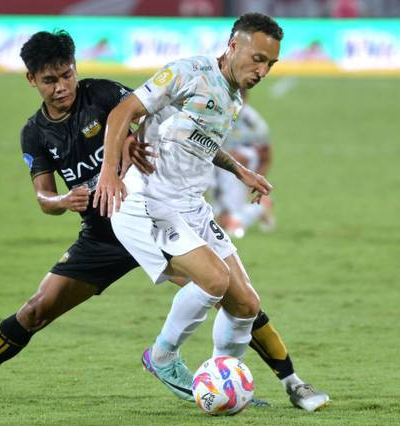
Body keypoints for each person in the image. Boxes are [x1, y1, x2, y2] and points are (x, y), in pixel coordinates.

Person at [0, 29, 318, 411]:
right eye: (50, 80)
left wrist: (136, 143)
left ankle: (276, 381)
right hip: (102, 235)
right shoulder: (35, 134)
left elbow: (164, 126)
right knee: (36, 310)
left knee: (229, 291)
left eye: (67, 75)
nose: (62, 86)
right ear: (32, 81)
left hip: (153, 212)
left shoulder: (102, 94)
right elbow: (43, 198)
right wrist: (65, 199)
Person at [95, 13, 329, 412]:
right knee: (215, 280)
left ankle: (226, 382)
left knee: (246, 306)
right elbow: (123, 113)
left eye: (270, 64)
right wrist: (110, 173)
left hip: (190, 206)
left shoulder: (233, 99)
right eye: (257, 59)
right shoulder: (187, 73)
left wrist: (241, 171)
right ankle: (163, 356)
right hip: (148, 201)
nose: (262, 71)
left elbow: (202, 142)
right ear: (233, 45)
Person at [212, 88, 275, 238]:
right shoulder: (214, 116)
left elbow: (266, 156)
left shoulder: (253, 122)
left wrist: (256, 183)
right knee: (215, 214)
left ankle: (236, 218)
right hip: (213, 162)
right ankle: (260, 208)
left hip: (241, 167)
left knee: (227, 218)